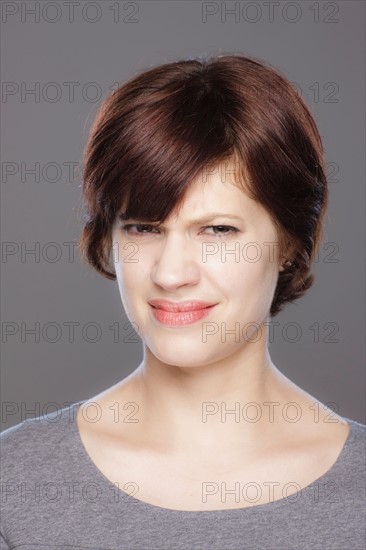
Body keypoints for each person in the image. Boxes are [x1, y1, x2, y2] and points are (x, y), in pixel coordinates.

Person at [1, 53, 365, 550]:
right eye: (144, 228)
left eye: (217, 230)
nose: (172, 274)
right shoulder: (15, 482)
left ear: (289, 243)